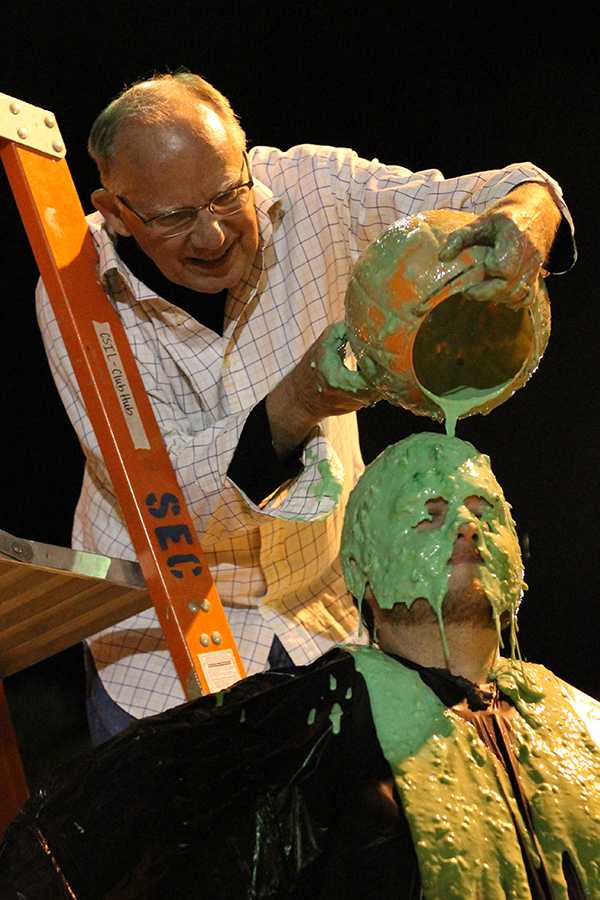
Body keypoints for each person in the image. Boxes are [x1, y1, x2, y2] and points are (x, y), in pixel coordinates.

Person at [36, 70, 574, 736]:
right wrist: (297, 402)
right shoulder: (75, 297)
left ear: (244, 161)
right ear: (116, 211)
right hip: (161, 644)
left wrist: (526, 216)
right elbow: (172, 503)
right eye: (174, 219)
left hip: (318, 619)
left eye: (226, 196)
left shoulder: (311, 188)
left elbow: (486, 192)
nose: (212, 235)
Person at [1, 433, 597, 899]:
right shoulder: (304, 726)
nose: (467, 525)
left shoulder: (580, 726)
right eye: (431, 514)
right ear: (361, 569)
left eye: (484, 511)